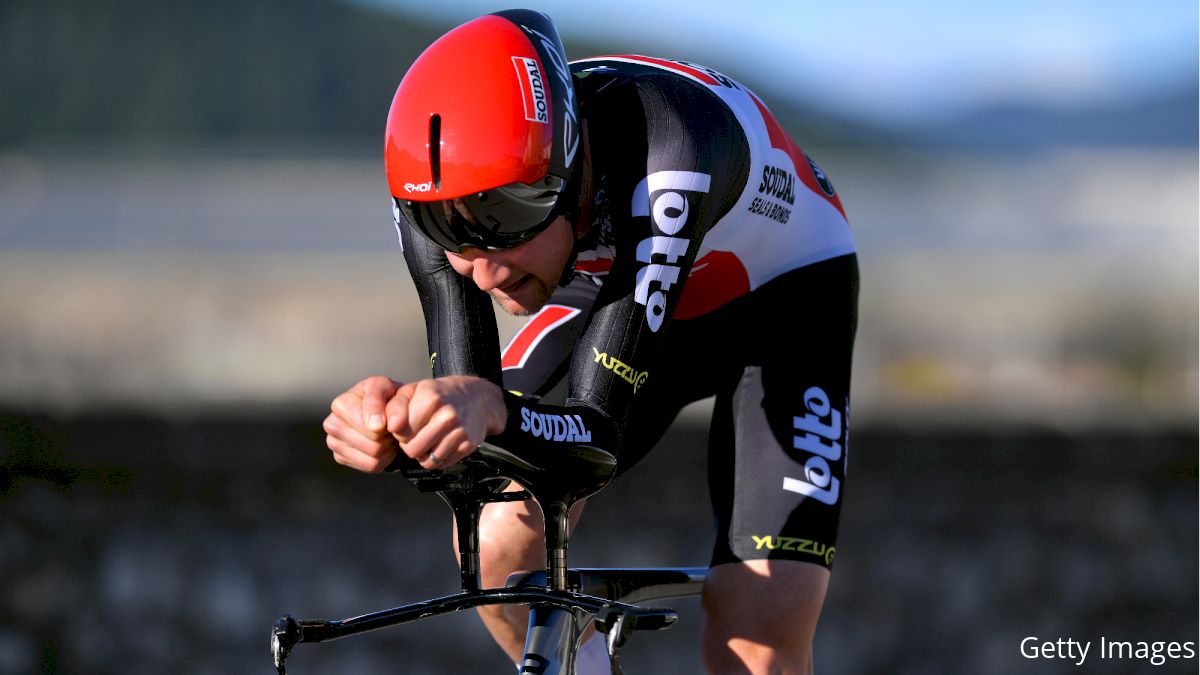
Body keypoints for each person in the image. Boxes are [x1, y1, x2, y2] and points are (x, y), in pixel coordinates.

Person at [323, 9, 857, 673]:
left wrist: (495, 409)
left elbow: (592, 439)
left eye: (508, 216)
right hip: (620, 279)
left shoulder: (670, 155)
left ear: (573, 172)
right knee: (494, 535)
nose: (487, 267)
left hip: (783, 298)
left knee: (758, 631)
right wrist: (401, 421)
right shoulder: (435, 190)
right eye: (446, 228)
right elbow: (478, 430)